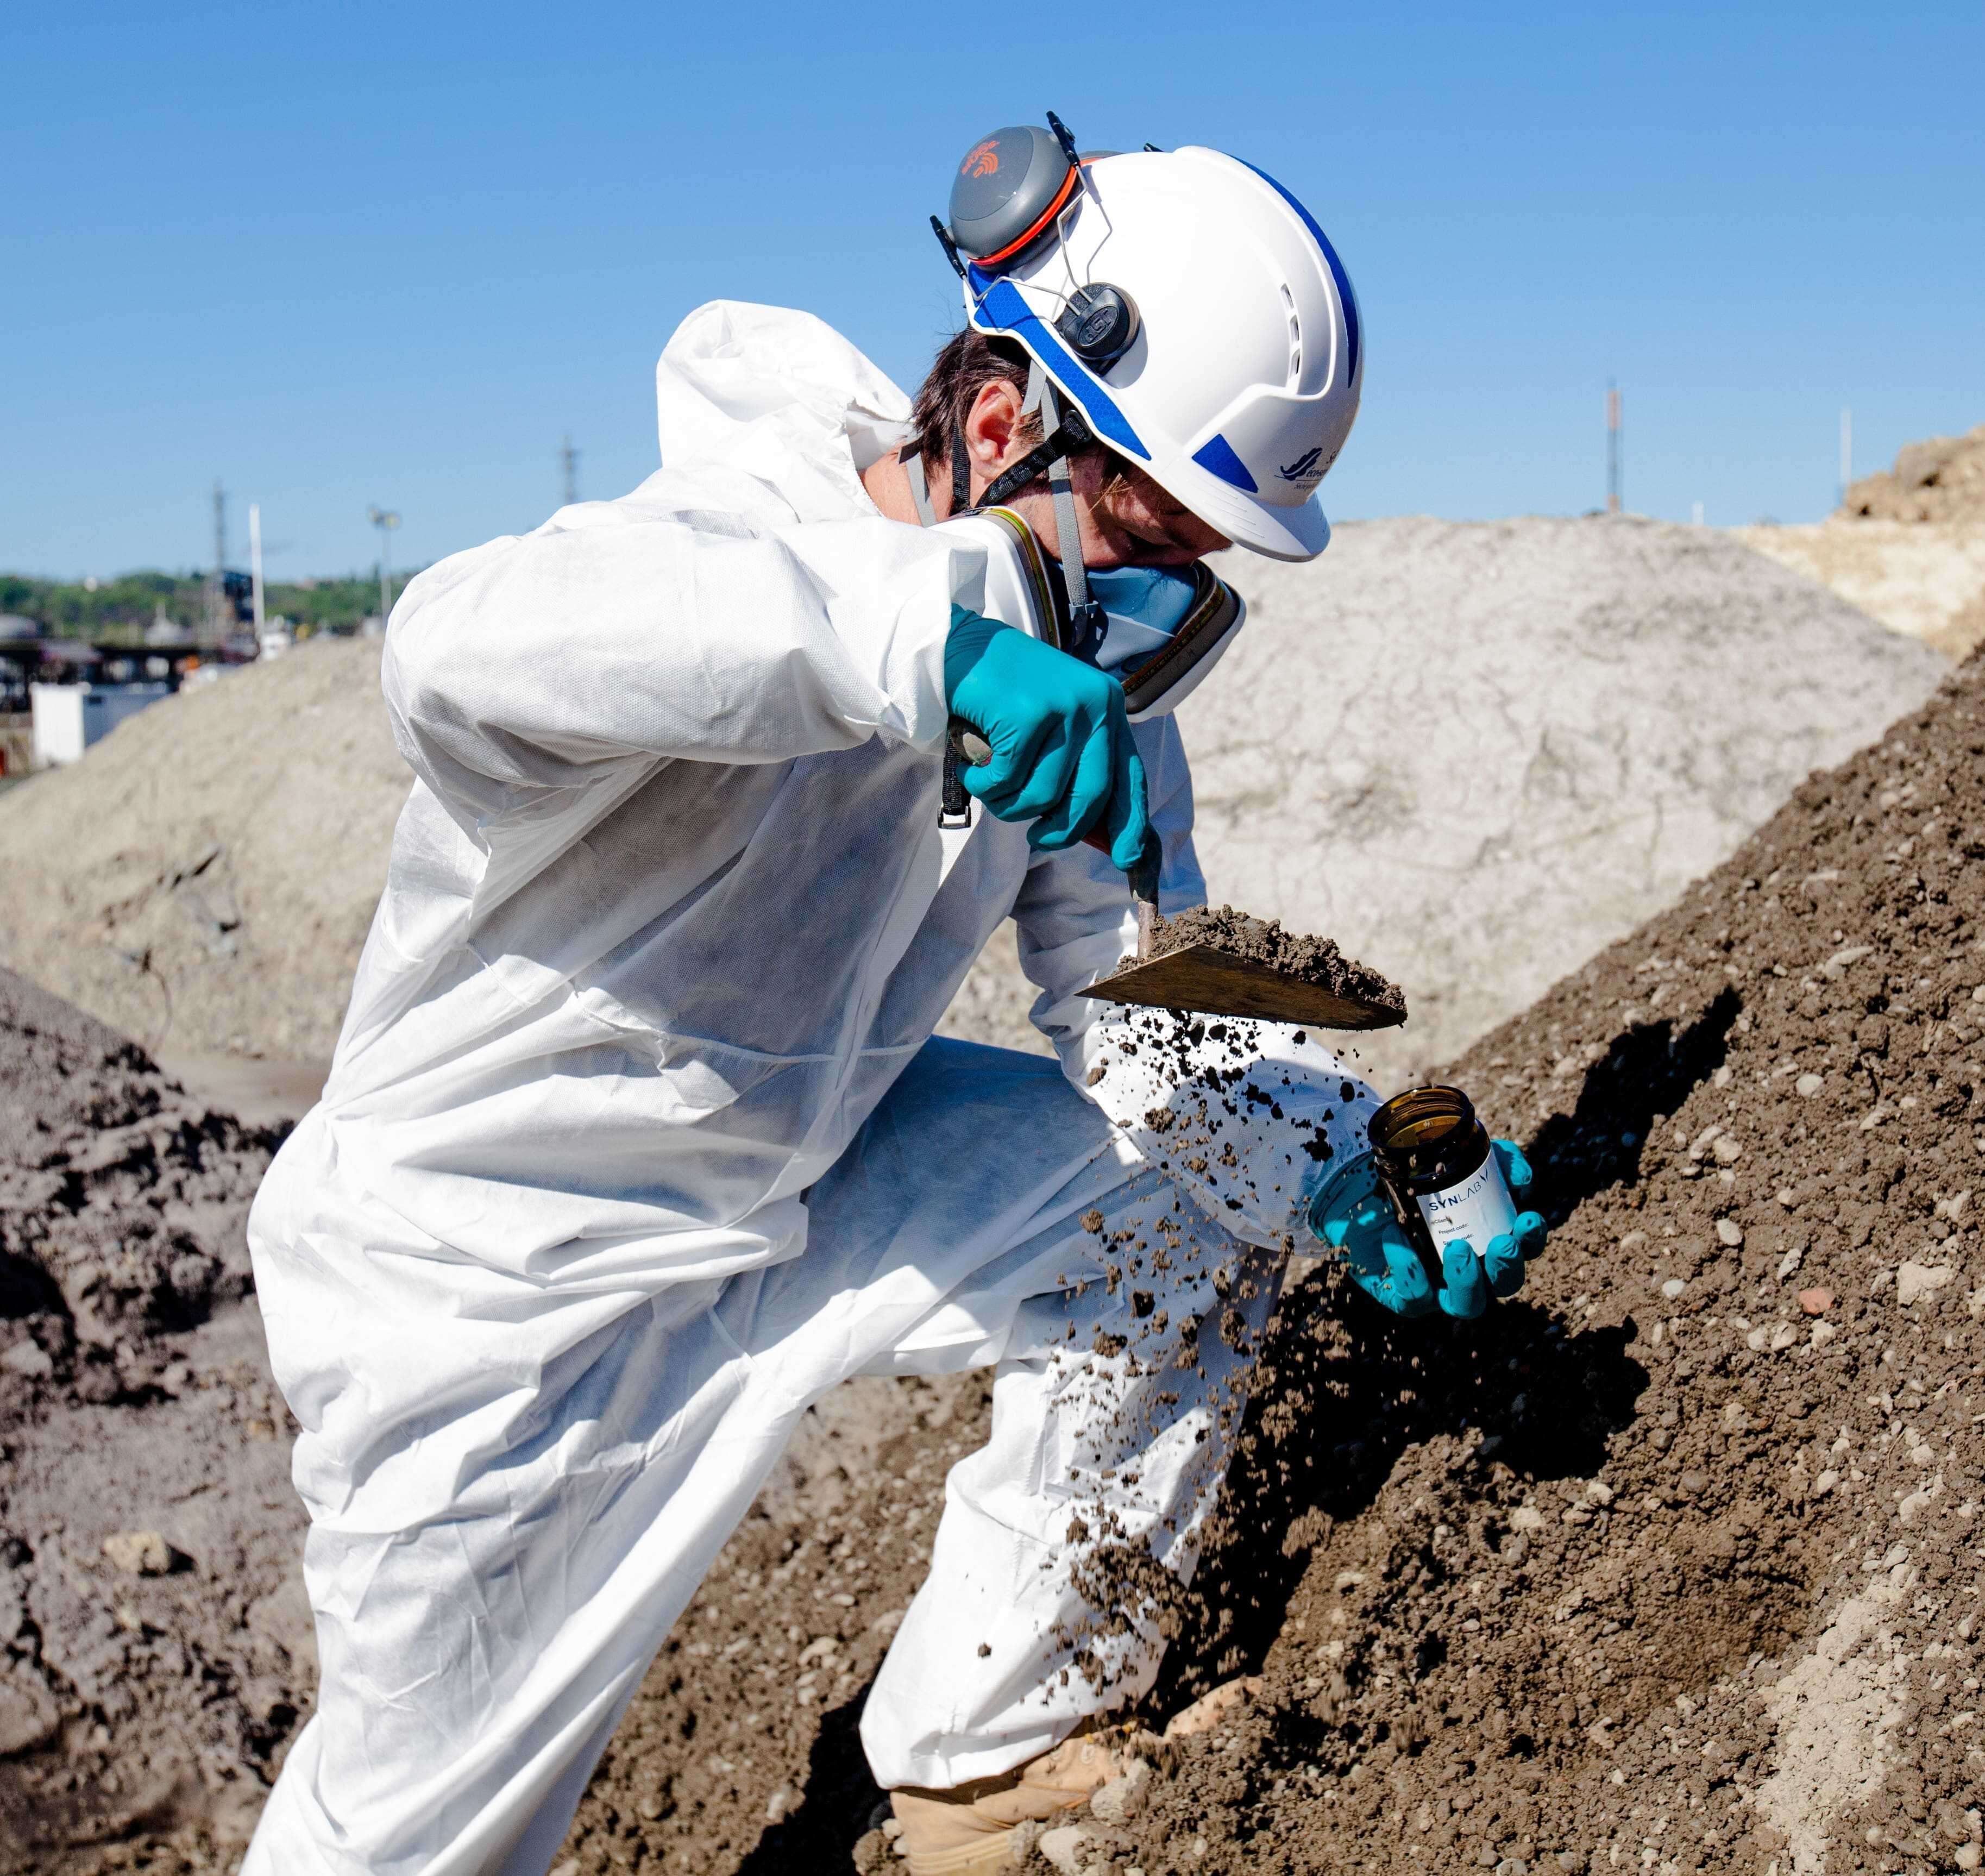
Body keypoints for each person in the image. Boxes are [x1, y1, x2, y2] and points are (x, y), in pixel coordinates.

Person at [242, 120, 1542, 1876]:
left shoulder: (1076, 665)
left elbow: (1127, 988)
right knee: (416, 1837)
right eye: (1150, 533)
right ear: (1004, 421)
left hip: (795, 1178)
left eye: (1202, 567)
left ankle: (982, 1767)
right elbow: (450, 646)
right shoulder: (717, 551)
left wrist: (1323, 1149)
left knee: (1166, 1207)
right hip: (494, 1294)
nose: (1157, 604)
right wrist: (919, 651)